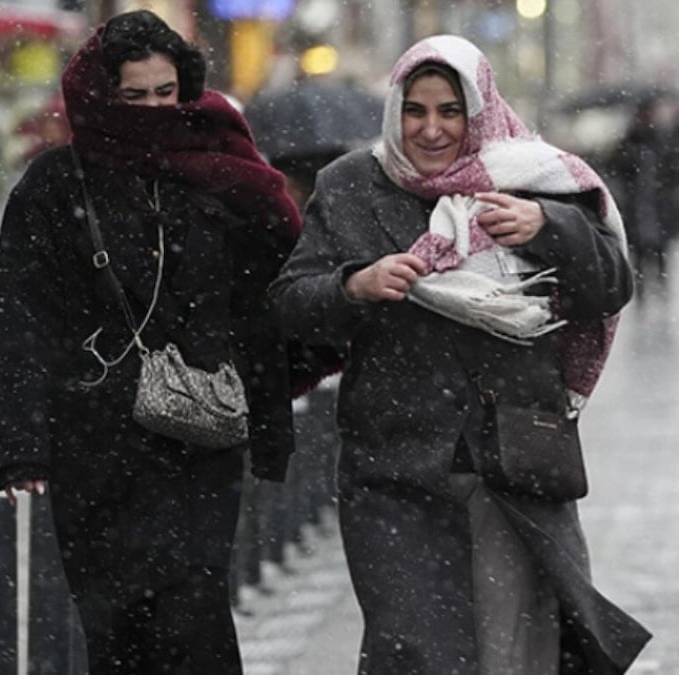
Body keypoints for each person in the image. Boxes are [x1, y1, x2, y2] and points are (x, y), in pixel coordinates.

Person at [270, 35, 650, 673]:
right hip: (395, 464)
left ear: (478, 108)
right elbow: (289, 305)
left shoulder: (538, 180)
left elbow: (610, 286)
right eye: (416, 110)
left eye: (450, 110)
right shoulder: (351, 185)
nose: (432, 128)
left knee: (517, 649)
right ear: (395, 110)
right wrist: (353, 286)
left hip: (516, 457)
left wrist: (547, 228)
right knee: (415, 649)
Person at [0, 10, 301, 672]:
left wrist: (271, 424)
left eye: (167, 94)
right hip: (95, 443)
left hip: (199, 436)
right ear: (104, 96)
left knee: (194, 609)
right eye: (136, 96)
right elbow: (22, 318)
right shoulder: (55, 186)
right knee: (116, 625)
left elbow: (258, 308)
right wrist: (21, 446)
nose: (155, 110)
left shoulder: (216, 171)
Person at [612, 87, 679, 301]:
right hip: (637, 201)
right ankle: (643, 287)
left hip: (657, 201)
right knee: (639, 248)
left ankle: (661, 285)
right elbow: (617, 166)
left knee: (661, 246)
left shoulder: (662, 139)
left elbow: (676, 167)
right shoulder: (630, 141)